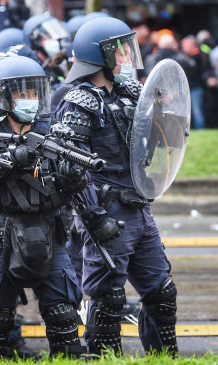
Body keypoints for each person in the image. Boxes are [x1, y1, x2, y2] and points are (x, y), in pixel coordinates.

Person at [55, 17, 178, 356]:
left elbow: (146, 151)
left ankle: (165, 358)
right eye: (120, 52)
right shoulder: (79, 101)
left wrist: (163, 122)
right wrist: (94, 218)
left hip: (138, 205)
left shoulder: (132, 94)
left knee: (162, 291)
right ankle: (104, 357)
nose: (127, 58)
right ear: (100, 58)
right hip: (106, 210)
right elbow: (70, 167)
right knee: (109, 294)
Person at [0, 55, 85, 358]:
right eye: (21, 94)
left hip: (50, 233)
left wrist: (72, 175)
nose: (29, 100)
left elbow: (79, 183)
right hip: (4, 235)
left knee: (63, 315)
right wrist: (5, 162)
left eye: (34, 93)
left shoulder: (52, 131)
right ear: (3, 96)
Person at [181, 35, 216, 130]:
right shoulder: (185, 57)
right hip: (186, 88)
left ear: (193, 45)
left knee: (197, 111)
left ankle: (200, 130)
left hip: (196, 87)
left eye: (185, 45)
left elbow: (207, 70)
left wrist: (210, 78)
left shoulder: (200, 56)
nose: (184, 48)